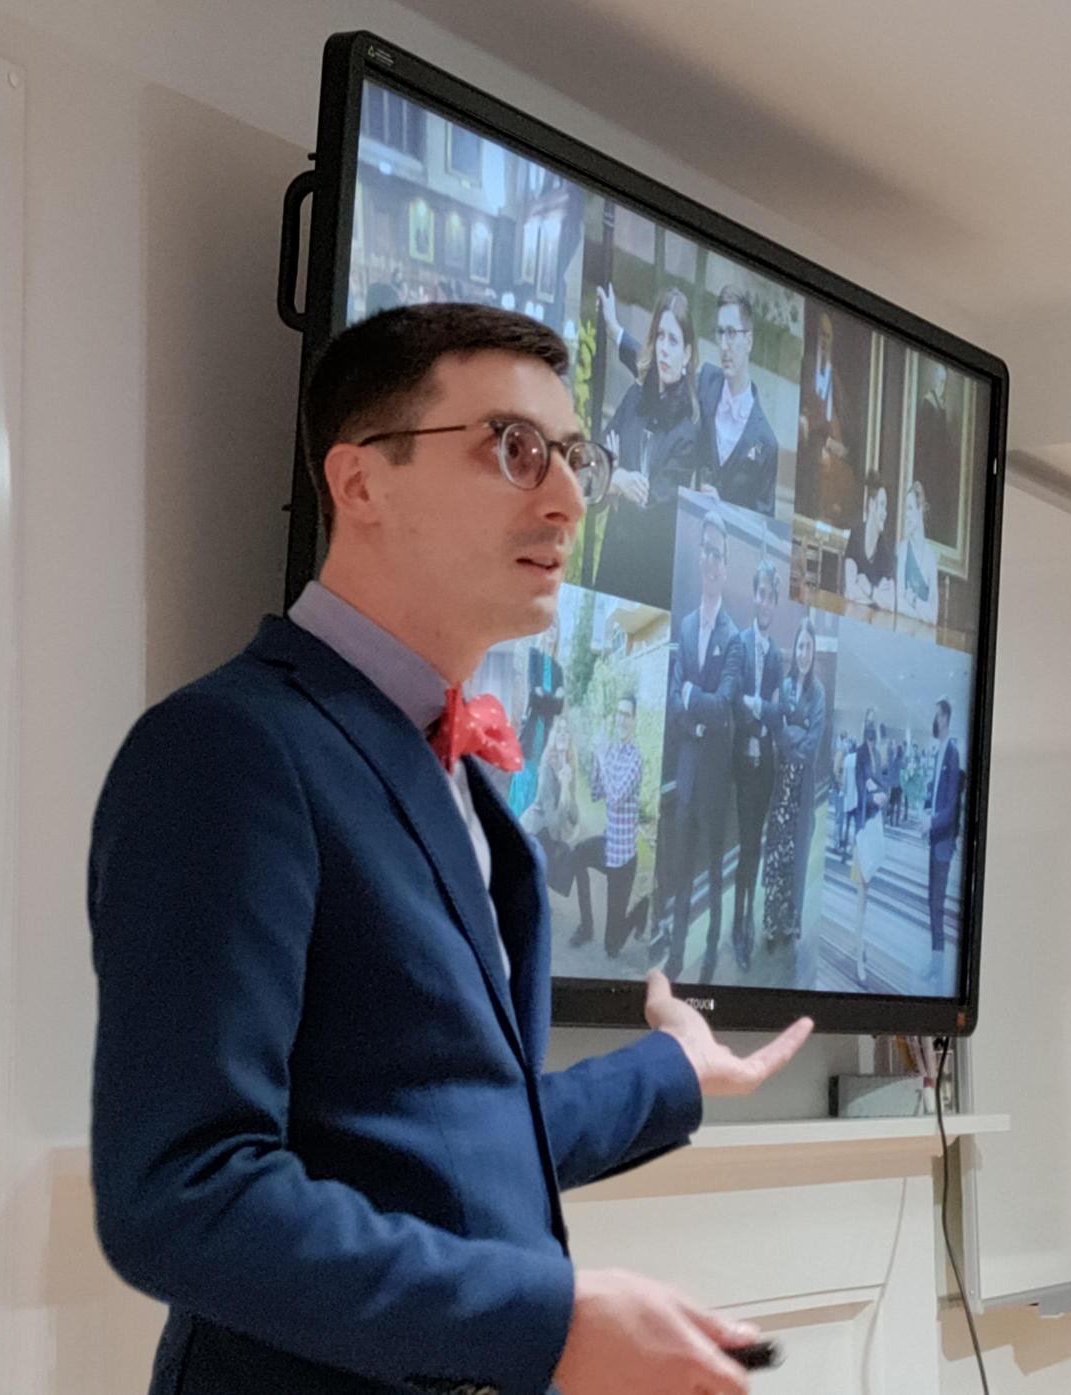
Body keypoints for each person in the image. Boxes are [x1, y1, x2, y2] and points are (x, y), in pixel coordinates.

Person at [88, 303, 811, 1395]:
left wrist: (672, 1073)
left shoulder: (463, 780)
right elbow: (185, 1192)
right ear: (359, 482)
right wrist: (548, 1323)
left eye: (574, 457)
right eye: (514, 448)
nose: (568, 498)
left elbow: (447, 1139)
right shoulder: (231, 748)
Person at [602, 282, 778, 515]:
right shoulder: (705, 384)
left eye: (732, 333)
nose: (724, 345)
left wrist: (725, 512)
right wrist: (616, 331)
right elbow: (660, 366)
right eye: (720, 333)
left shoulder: (766, 443)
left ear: (749, 341)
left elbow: (764, 525)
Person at [661, 509, 742, 982]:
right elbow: (676, 703)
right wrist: (695, 712)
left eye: (718, 554)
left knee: (713, 870)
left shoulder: (734, 638)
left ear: (726, 568)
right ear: (700, 560)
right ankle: (675, 957)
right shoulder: (687, 626)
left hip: (715, 778)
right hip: (688, 774)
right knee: (680, 870)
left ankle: (710, 952)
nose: (711, 561)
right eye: (706, 551)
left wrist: (694, 700)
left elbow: (723, 704)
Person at [591, 286, 707, 610]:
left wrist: (617, 475)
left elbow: (653, 503)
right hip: (611, 567)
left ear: (687, 354)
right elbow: (595, 467)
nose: (664, 349)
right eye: (660, 337)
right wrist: (617, 480)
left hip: (649, 585)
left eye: (674, 341)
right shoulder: (634, 398)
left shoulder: (689, 427)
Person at [730, 561, 784, 969]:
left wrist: (760, 707)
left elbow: (777, 714)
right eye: (760, 593)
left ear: (775, 603)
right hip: (741, 765)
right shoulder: (739, 642)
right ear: (754, 596)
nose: (764, 602)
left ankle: (748, 917)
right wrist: (759, 712)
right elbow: (735, 701)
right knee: (745, 846)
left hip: (765, 767)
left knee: (756, 845)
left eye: (771, 596)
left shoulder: (778, 655)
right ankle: (739, 928)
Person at [760, 617, 826, 946]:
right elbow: (777, 732)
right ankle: (770, 925)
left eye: (808, 647)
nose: (803, 653)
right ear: (795, 649)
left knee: (795, 860)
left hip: (801, 791)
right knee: (776, 856)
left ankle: (788, 925)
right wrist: (793, 734)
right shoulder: (784, 687)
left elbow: (812, 747)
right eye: (800, 646)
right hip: (779, 787)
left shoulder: (819, 694)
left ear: (814, 652)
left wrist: (791, 735)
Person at [570, 693, 649, 956]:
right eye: (619, 713)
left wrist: (602, 757)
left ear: (634, 720)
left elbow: (615, 798)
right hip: (608, 845)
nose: (621, 719)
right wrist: (597, 755)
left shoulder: (635, 759)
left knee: (611, 948)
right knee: (577, 855)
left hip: (623, 859)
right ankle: (586, 927)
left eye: (627, 715)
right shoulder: (612, 751)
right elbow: (596, 792)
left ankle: (641, 909)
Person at [798, 308, 857, 528]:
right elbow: (805, 416)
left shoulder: (835, 377)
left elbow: (846, 421)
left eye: (828, 336)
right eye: (821, 335)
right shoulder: (807, 366)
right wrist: (827, 442)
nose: (824, 341)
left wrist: (840, 446)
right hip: (812, 447)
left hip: (834, 450)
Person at [508, 616, 566, 815]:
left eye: (554, 628)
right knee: (523, 783)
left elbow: (559, 708)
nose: (551, 631)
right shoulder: (534, 657)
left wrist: (545, 697)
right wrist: (552, 698)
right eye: (548, 626)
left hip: (546, 738)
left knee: (537, 790)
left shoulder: (558, 670)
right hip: (531, 733)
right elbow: (534, 696)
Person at [849, 708, 889, 984]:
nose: (872, 726)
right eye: (870, 720)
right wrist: (875, 795)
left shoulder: (876, 753)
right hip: (863, 829)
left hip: (874, 828)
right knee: (861, 896)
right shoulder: (862, 752)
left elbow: (882, 781)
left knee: (867, 894)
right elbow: (862, 786)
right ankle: (858, 960)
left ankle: (860, 945)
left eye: (875, 720)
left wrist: (881, 792)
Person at [926, 696, 964, 987]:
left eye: (938, 715)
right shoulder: (939, 752)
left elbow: (952, 808)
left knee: (938, 904)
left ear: (946, 719)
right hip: (934, 838)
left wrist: (933, 821)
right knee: (932, 902)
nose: (935, 720)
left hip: (943, 842)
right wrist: (928, 812)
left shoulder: (952, 753)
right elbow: (938, 794)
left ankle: (938, 970)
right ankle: (935, 963)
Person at [520, 717, 581, 895]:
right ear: (553, 736)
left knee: (570, 856)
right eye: (559, 730)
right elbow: (554, 828)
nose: (562, 734)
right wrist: (563, 788)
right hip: (534, 830)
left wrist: (567, 787)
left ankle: (543, 893)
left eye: (566, 731)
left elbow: (574, 816)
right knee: (556, 853)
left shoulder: (569, 766)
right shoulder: (547, 767)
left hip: (548, 833)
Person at [913, 359, 960, 547]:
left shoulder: (941, 406)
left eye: (945, 383)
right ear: (934, 381)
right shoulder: (927, 405)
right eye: (940, 381)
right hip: (929, 471)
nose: (943, 387)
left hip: (940, 473)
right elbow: (923, 443)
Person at [842, 472, 896, 612]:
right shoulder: (856, 536)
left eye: (886, 507)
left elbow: (890, 602)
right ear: (872, 505)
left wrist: (869, 589)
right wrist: (878, 596)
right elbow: (850, 591)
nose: (885, 513)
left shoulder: (884, 549)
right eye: (882, 505)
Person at [896, 478, 941, 625]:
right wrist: (923, 612)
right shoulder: (903, 549)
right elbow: (899, 603)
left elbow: (933, 617)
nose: (906, 515)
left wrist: (913, 600)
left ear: (920, 509)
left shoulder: (930, 558)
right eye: (905, 509)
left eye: (910, 508)